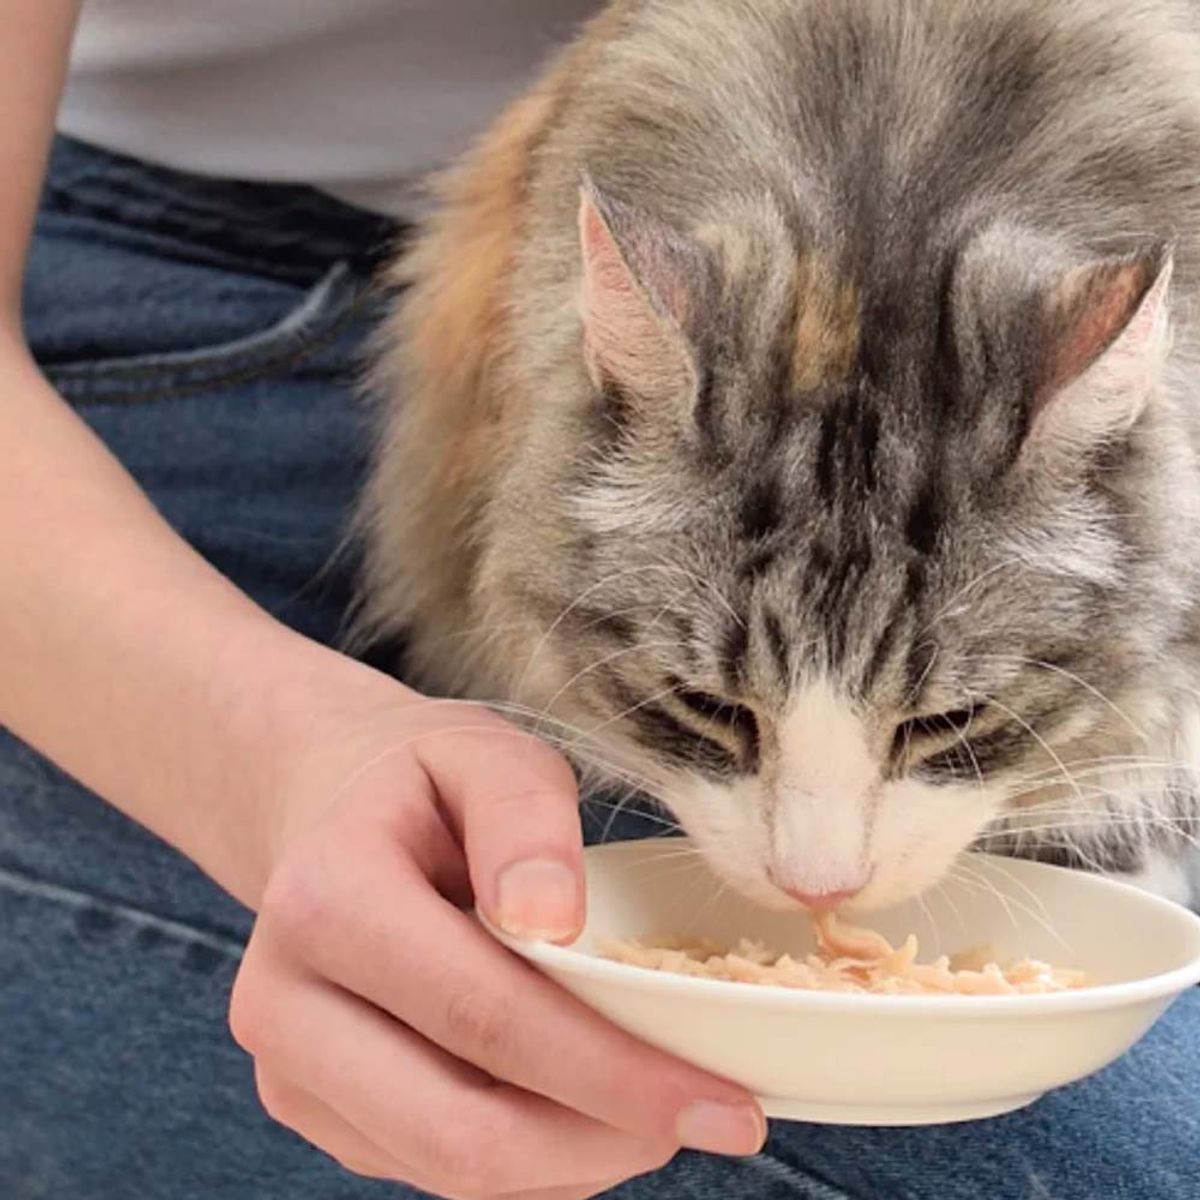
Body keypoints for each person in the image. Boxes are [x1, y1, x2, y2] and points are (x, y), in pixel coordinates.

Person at [1, 4, 1196, 1198]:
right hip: (155, 332)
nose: (815, 872)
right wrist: (273, 771)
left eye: (940, 726)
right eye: (713, 714)